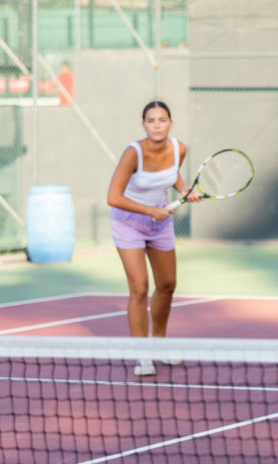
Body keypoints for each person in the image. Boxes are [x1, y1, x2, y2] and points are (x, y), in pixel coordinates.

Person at [107, 101, 200, 376]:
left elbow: (172, 177)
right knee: (139, 288)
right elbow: (113, 197)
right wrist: (150, 211)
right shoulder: (132, 153)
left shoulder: (178, 148)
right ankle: (142, 355)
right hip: (129, 223)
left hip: (160, 222)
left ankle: (159, 343)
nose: (157, 125)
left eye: (162, 120)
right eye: (151, 120)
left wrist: (185, 189)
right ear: (143, 124)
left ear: (170, 122)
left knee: (168, 285)